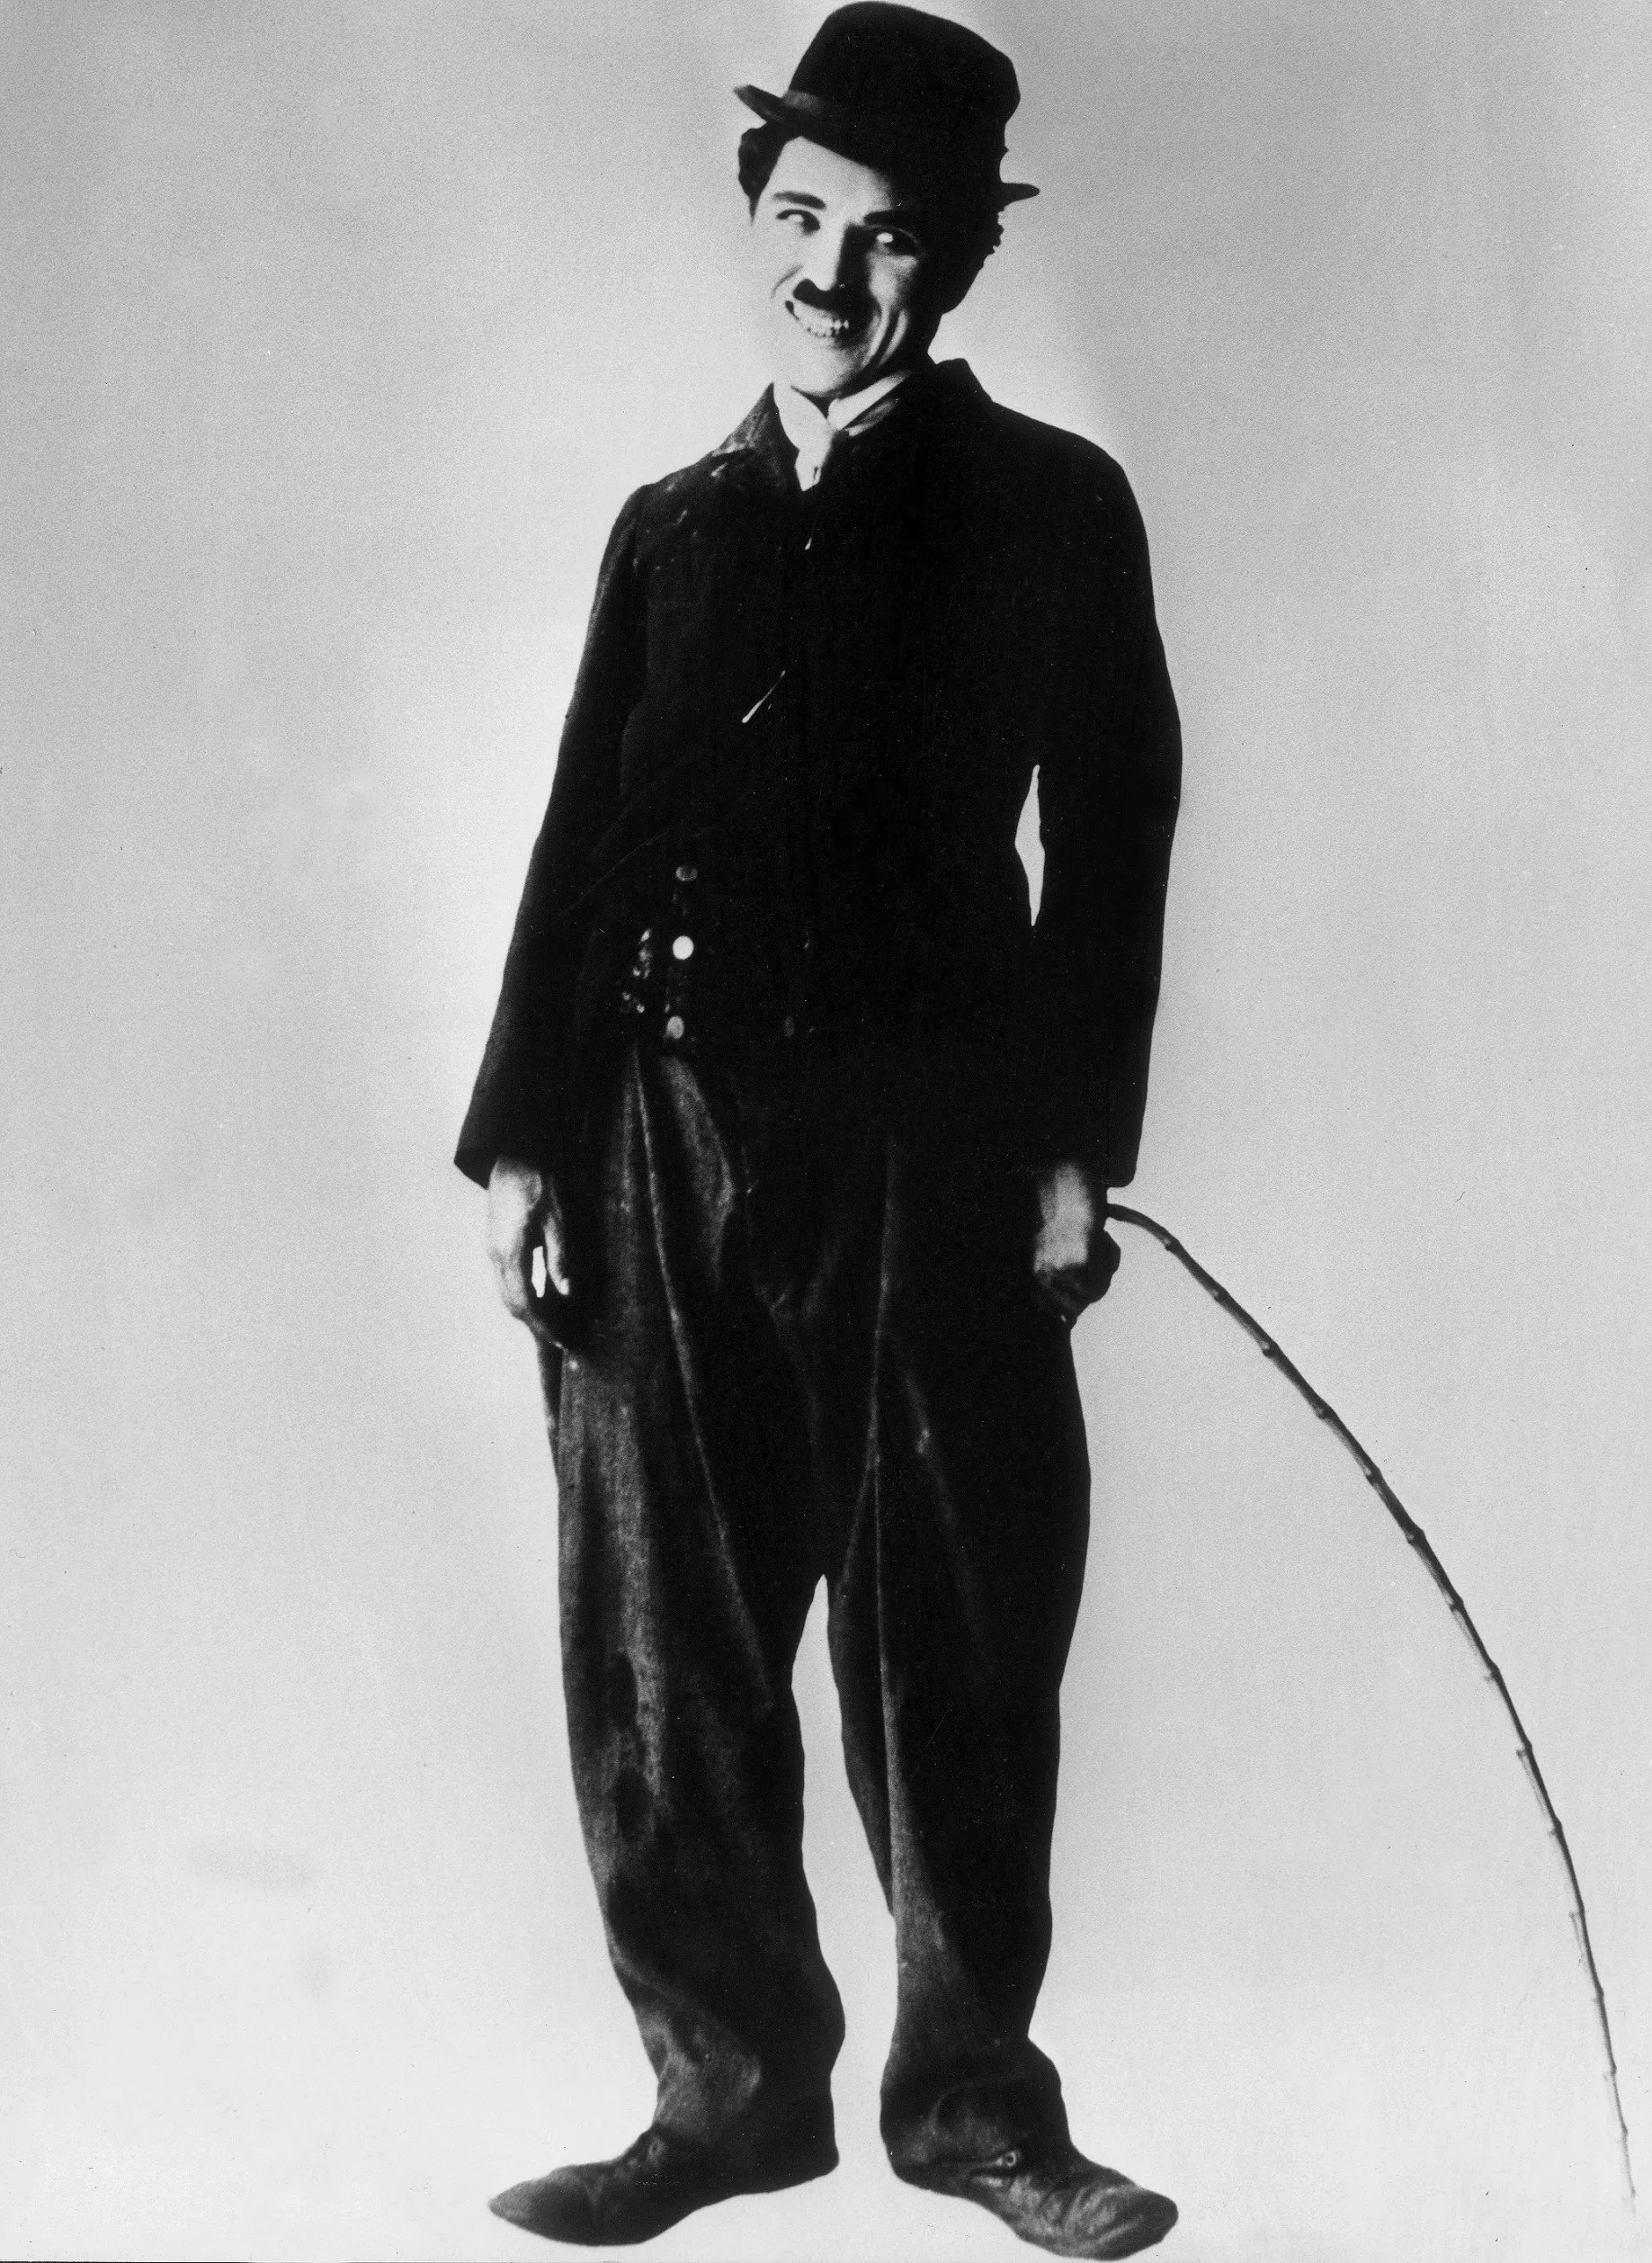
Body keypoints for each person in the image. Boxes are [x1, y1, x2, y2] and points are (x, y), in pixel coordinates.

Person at [457, 6, 1182, 2252]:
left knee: (951, 1639)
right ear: (754, 219)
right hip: (654, 1131)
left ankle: (971, 2106)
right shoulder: (669, 528)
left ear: (956, 259)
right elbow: (581, 842)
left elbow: (1115, 838)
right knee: (659, 1646)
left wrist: (1073, 1146)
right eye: (799, 219)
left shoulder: (1049, 505)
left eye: (887, 236)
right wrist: (522, 1140)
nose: (831, 273)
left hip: (926, 1151)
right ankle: (730, 2091)